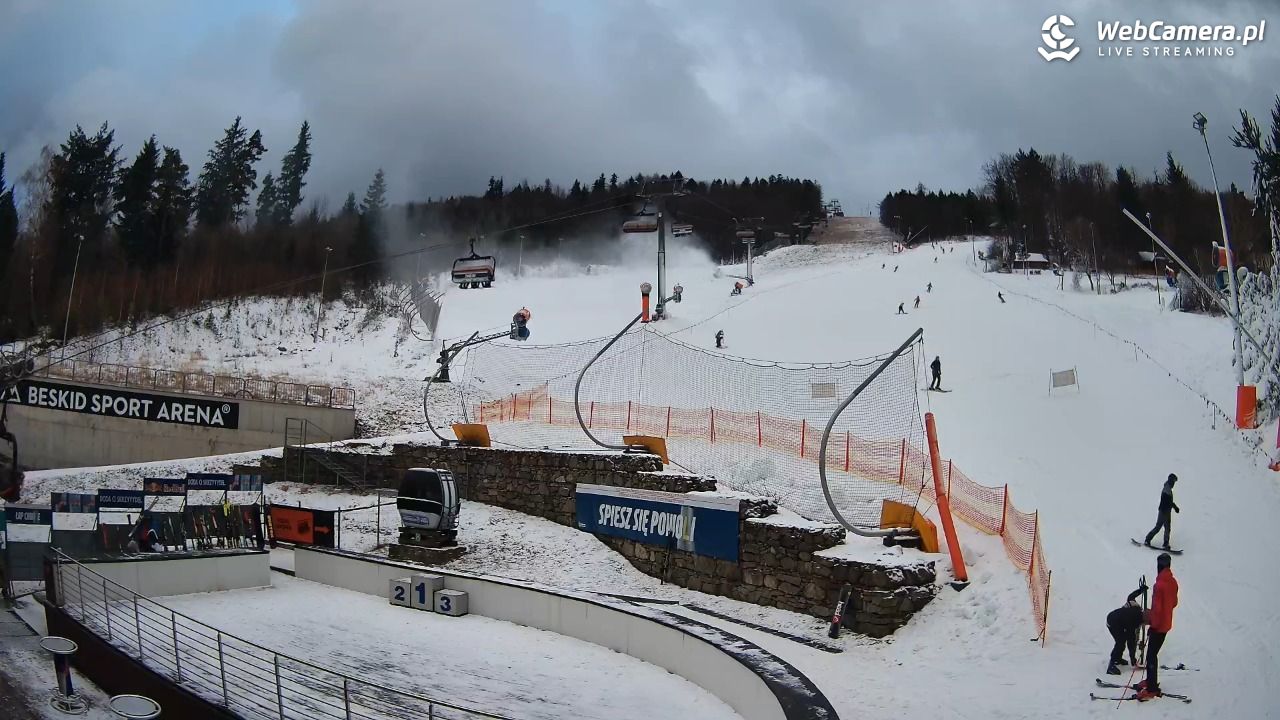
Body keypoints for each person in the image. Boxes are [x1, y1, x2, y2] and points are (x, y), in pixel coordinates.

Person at [1136, 553, 1178, 701]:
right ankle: (1150, 680)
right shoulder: (1173, 582)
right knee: (1152, 654)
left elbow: (1156, 609)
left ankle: (1152, 688)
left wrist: (1153, 625)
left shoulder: (1159, 585)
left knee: (1151, 656)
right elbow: (1174, 603)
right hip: (1166, 624)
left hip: (1158, 626)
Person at [1105, 582, 1147, 675]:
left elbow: (1131, 596)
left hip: (1115, 617)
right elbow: (1131, 640)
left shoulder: (1136, 607)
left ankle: (1118, 659)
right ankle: (1111, 666)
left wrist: (1140, 590)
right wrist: (1133, 658)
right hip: (1113, 622)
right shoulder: (1134, 620)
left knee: (1122, 640)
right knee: (1120, 642)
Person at [1143, 474, 1180, 550]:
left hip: (1166, 511)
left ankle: (1165, 543)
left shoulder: (1168, 488)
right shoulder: (1166, 489)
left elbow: (1169, 501)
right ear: (1171, 480)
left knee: (1167, 528)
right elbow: (1167, 501)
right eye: (1174, 481)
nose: (1174, 483)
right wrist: (1174, 507)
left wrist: (1174, 507)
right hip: (1163, 511)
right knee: (1158, 527)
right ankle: (1147, 539)